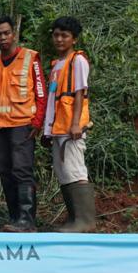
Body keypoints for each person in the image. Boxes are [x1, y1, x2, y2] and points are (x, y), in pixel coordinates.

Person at [0, 16, 46, 232]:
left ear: (14, 34)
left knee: (22, 170)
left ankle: (27, 220)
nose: (3, 37)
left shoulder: (30, 58)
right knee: (6, 172)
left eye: (6, 33)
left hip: (23, 124)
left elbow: (41, 92)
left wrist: (37, 122)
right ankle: (14, 219)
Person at [44, 16, 95, 232]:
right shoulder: (57, 64)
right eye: (56, 35)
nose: (59, 39)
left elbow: (79, 93)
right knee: (64, 171)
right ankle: (74, 219)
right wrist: (47, 130)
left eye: (64, 35)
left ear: (74, 39)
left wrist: (75, 124)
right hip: (58, 127)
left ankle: (85, 221)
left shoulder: (77, 61)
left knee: (75, 170)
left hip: (70, 126)